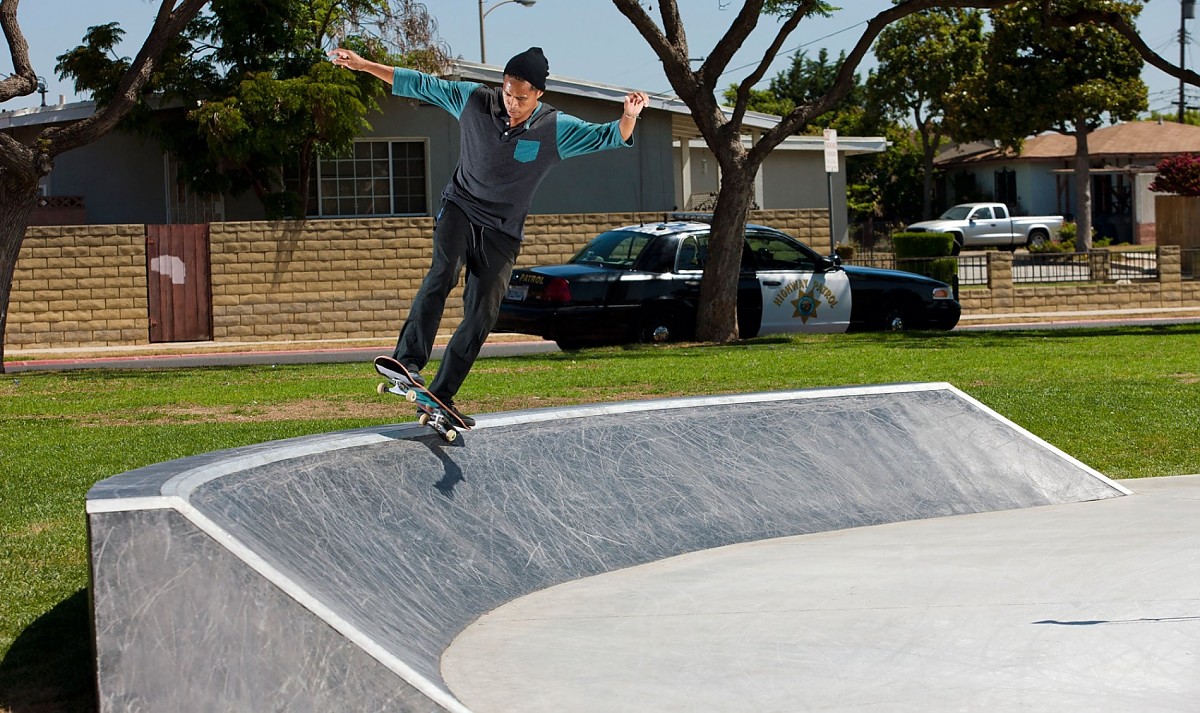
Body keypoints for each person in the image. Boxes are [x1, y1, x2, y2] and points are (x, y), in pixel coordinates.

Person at [329, 46, 648, 427]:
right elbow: (419, 84)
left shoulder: (555, 128)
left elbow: (607, 137)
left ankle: (441, 395)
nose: (512, 104)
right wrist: (364, 66)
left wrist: (628, 117)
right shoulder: (473, 100)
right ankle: (408, 361)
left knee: (483, 313)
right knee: (443, 271)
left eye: (522, 98)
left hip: (502, 231)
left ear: (539, 95)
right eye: (508, 94)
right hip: (461, 208)